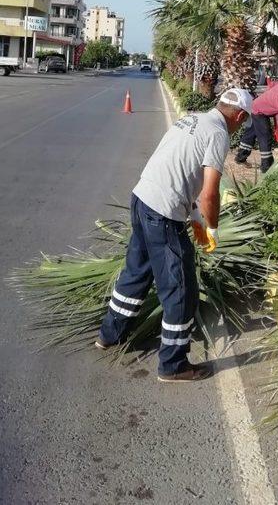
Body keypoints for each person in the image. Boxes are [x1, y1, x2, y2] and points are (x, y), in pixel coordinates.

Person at [97, 87, 253, 382]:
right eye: (243, 122)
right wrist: (212, 228)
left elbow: (180, 172)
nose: (240, 128)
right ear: (241, 116)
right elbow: (210, 194)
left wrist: (193, 219)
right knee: (181, 290)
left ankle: (108, 335)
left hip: (142, 199)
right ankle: (173, 365)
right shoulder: (219, 133)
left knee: (136, 274)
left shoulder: (192, 120)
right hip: (163, 214)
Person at [235, 80, 278, 173]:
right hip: (260, 112)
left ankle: (240, 157)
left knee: (251, 134)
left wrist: (269, 96)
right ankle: (266, 167)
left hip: (256, 106)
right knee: (265, 137)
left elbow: (272, 84)